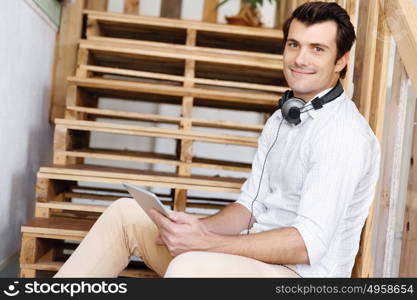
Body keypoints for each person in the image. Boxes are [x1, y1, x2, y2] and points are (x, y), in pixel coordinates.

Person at [54, 1, 380, 278]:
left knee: (190, 266)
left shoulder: (342, 135)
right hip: (249, 260)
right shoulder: (283, 117)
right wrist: (195, 230)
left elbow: (307, 245)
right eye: (294, 45)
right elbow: (249, 206)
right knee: (126, 215)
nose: (300, 59)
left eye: (317, 49)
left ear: (341, 60)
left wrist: (207, 244)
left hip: (297, 275)